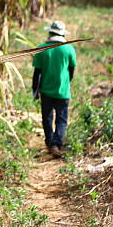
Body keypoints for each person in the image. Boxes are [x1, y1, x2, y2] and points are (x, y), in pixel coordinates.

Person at [32, 21, 77, 159]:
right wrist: (67, 82)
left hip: (46, 91)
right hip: (63, 91)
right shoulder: (68, 49)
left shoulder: (41, 49)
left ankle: (50, 142)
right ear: (63, 33)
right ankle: (57, 144)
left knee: (47, 117)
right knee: (62, 119)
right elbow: (72, 68)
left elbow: (37, 73)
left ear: (50, 32)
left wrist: (35, 91)